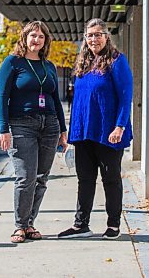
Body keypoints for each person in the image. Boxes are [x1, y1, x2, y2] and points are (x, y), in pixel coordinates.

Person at [58, 18, 133, 240]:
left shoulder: (117, 61)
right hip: (84, 133)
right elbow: (80, 99)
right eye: (90, 35)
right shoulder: (83, 61)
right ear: (85, 39)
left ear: (106, 36)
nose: (94, 39)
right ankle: (81, 224)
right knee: (85, 179)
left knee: (111, 179)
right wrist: (72, 133)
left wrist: (119, 126)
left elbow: (125, 95)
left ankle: (113, 225)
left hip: (108, 132)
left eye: (98, 34)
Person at [0, 21, 67, 244]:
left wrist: (63, 131)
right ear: (24, 37)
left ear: (46, 41)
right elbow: (2, 97)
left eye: (41, 37)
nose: (36, 40)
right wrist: (3, 129)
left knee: (41, 178)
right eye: (32, 35)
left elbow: (56, 100)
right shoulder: (13, 62)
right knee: (25, 177)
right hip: (21, 125)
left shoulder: (49, 66)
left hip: (50, 125)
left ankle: (29, 223)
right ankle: (19, 226)